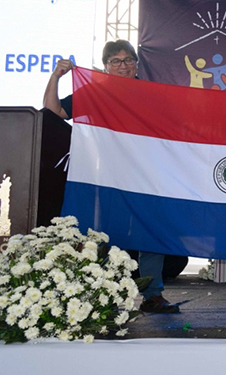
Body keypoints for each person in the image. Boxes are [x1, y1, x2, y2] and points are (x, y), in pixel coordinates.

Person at [43, 40, 179, 314]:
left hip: (147, 176)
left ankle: (152, 295)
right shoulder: (95, 93)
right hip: (106, 177)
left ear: (137, 64)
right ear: (105, 66)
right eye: (115, 61)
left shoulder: (153, 93)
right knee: (102, 235)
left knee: (150, 234)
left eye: (128, 60)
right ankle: (101, 294)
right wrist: (55, 76)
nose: (123, 66)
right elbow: (52, 112)